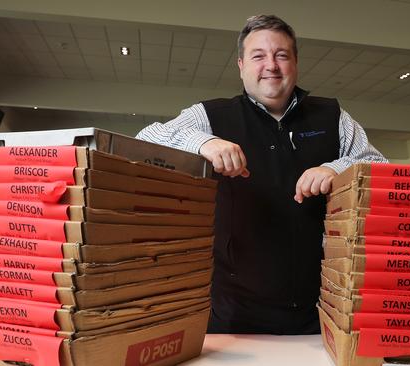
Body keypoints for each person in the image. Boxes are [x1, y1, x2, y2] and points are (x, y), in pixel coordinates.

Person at [137, 14, 387, 334]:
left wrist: (334, 168)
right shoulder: (211, 115)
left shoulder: (333, 116)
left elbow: (380, 164)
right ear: (241, 65)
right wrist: (204, 142)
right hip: (232, 313)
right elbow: (146, 139)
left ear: (295, 63)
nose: (271, 65)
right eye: (258, 56)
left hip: (319, 311)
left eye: (281, 55)